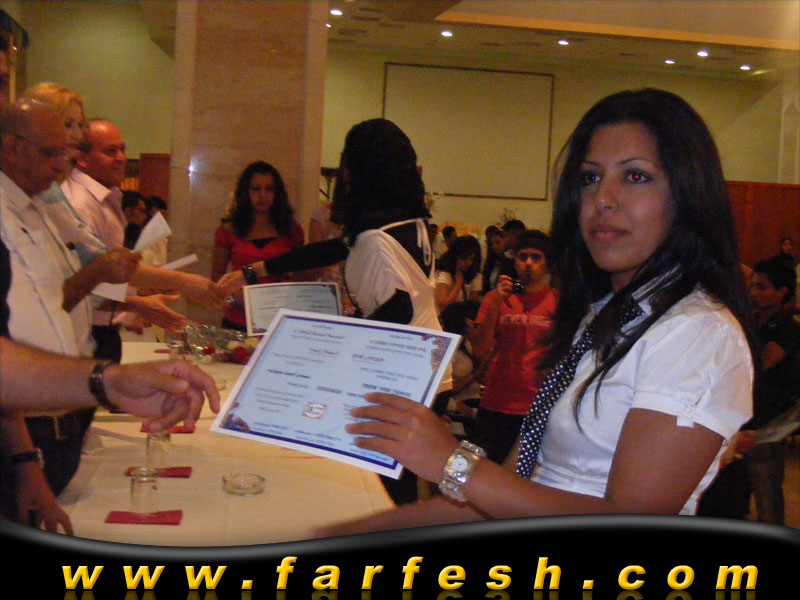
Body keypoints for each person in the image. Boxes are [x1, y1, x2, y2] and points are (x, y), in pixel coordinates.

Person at [314, 88, 756, 536]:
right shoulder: (603, 316)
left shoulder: (697, 331)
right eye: (589, 177)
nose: (603, 198)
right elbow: (513, 491)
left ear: (687, 194)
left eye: (635, 176)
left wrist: (452, 461)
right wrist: (358, 530)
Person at [218, 119, 450, 504]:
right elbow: (337, 249)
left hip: (401, 374)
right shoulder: (406, 222)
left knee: (387, 489)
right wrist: (254, 270)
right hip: (427, 369)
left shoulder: (377, 237)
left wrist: (334, 346)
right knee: (396, 483)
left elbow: (400, 309)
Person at [468, 229, 558, 464]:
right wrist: (497, 302)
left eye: (536, 257)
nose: (528, 263)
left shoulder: (557, 302)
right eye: (523, 256)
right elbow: (479, 348)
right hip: (496, 401)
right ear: (515, 261)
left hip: (537, 406)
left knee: (523, 475)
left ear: (547, 264)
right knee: (483, 471)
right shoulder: (495, 298)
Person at [739, 257, 799, 524]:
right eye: (752, 286)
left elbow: (759, 366)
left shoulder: (788, 327)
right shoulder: (751, 319)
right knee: (736, 489)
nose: (753, 293)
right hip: (745, 414)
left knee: (767, 495)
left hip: (769, 420)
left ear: (781, 292)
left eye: (761, 287)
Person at [211, 161, 304, 331]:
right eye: (256, 189)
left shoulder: (291, 230)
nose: (263, 196)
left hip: (278, 319)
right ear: (245, 192)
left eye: (269, 189)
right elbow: (217, 275)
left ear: (277, 193)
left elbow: (300, 276)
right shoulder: (228, 229)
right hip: (237, 318)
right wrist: (232, 298)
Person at [435, 234, 483, 310]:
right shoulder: (446, 274)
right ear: (455, 256)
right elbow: (443, 304)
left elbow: (473, 305)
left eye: (471, 259)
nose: (468, 263)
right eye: (463, 258)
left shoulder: (476, 276)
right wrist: (458, 284)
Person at [480, 224, 511, 295]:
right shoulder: (492, 262)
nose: (495, 246)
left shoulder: (510, 263)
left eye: (498, 242)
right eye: (492, 244)